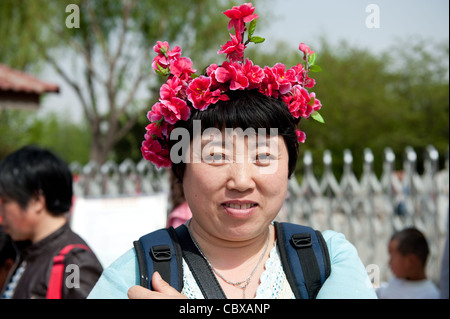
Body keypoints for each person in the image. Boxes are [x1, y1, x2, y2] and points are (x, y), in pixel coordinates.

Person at [88, 3, 376, 299]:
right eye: (216, 156)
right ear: (180, 168)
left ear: (289, 166)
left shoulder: (329, 261)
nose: (241, 181)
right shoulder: (136, 273)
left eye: (263, 157)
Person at [0, 145, 103, 299]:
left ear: (37, 200)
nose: (1, 211)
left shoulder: (73, 264)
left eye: (6, 201)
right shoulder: (29, 252)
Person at [376, 227, 440, 299]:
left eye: (392, 257)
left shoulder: (430, 294)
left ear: (411, 261)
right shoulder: (394, 283)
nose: (389, 263)